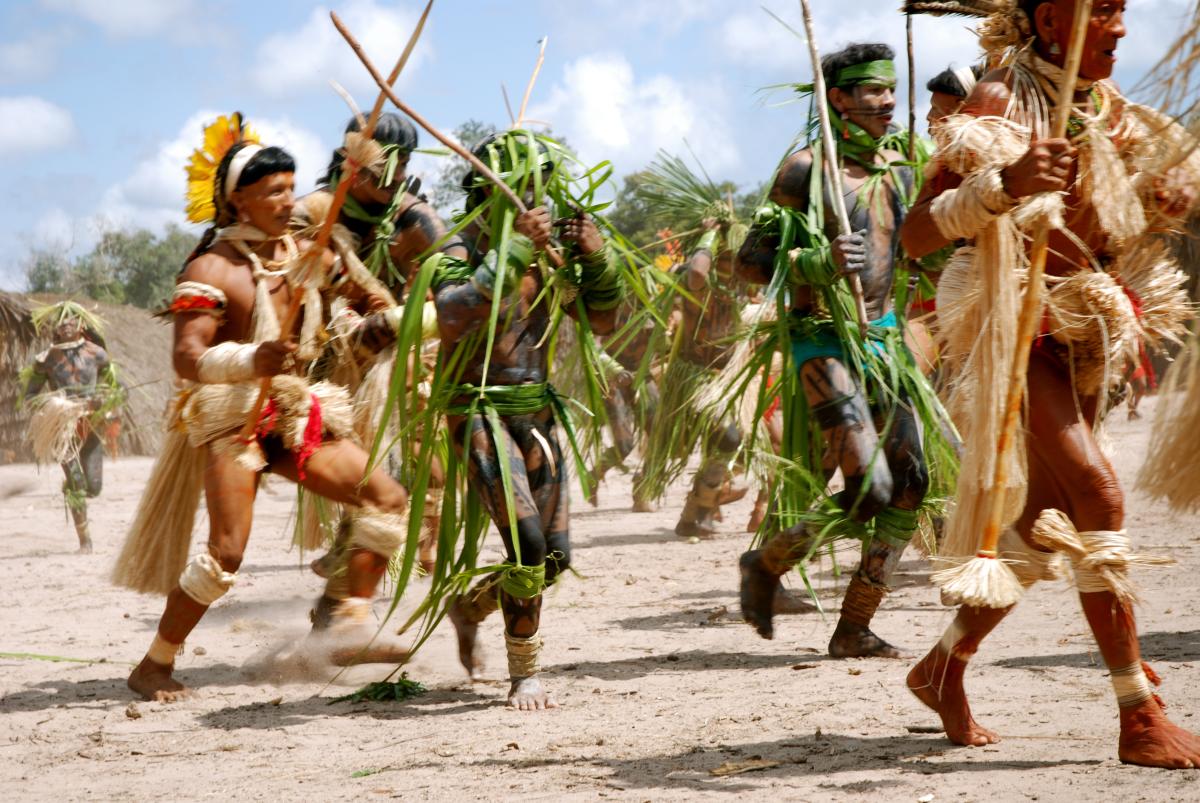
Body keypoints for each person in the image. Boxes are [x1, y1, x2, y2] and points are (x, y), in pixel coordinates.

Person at [900, 0, 1200, 767]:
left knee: (1045, 519)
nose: (1121, 27)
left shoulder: (1118, 115)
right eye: (1104, 10)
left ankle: (942, 666)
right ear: (1053, 18)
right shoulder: (999, 99)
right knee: (1098, 494)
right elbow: (915, 234)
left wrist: (1163, 206)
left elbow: (1111, 227)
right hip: (1012, 325)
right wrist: (1003, 183)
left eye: (1123, 10)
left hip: (1083, 331)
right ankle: (1137, 713)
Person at [113, 115, 411, 702]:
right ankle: (154, 664)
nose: (287, 201)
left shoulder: (311, 255)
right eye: (273, 191)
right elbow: (187, 357)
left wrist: (383, 318)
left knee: (386, 498)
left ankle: (349, 624)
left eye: (291, 188)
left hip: (296, 412)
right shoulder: (211, 269)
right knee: (226, 554)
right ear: (239, 201)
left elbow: (363, 301)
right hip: (234, 420)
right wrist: (253, 358)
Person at [387, 130, 624, 710]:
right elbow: (453, 315)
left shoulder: (550, 256)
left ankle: (470, 607)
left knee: (555, 556)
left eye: (544, 187)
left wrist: (596, 258)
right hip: (477, 410)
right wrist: (513, 248)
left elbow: (602, 323)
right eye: (524, 187)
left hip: (537, 410)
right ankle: (525, 673)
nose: (536, 199)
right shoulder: (458, 251)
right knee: (527, 541)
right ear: (486, 192)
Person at [735, 43, 954, 658]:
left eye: (891, 88)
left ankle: (853, 626)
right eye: (872, 91)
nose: (888, 100)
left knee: (910, 485)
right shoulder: (806, 170)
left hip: (885, 339)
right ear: (838, 99)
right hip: (822, 338)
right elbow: (748, 262)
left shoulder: (906, 166)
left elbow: (922, 248)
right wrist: (818, 260)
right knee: (869, 489)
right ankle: (766, 563)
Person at [21, 302, 124, 553]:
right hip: (62, 429)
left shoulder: (97, 354)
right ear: (56, 328)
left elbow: (118, 389)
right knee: (76, 481)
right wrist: (56, 404)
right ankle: (85, 541)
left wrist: (104, 400)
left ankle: (77, 496)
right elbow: (30, 397)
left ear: (81, 324)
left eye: (71, 320)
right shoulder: (46, 360)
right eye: (61, 321)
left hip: (91, 425)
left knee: (93, 486)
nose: (65, 324)